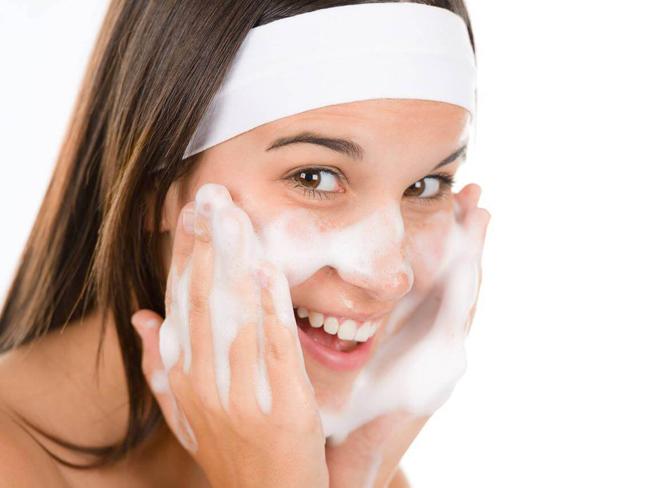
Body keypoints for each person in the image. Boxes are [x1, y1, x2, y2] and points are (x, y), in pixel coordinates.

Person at [0, 1, 488, 486]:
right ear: (153, 187)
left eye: (425, 185)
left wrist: (361, 471)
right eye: (315, 177)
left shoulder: (331, 466)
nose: (389, 278)